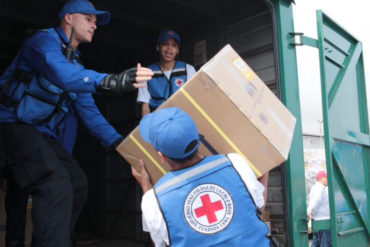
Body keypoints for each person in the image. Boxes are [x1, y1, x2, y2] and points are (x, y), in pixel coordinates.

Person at [0, 0, 153, 246]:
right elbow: (61, 72)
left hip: (41, 134)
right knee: (55, 182)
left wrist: (120, 143)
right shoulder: (42, 42)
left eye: (96, 21)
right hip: (12, 124)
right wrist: (110, 81)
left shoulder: (76, 64)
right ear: (69, 18)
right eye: (89, 18)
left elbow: (89, 112)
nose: (95, 25)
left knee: (77, 182)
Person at [131, 107, 270, 247]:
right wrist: (266, 160)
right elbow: (258, 208)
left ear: (161, 156)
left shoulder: (153, 199)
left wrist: (146, 188)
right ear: (197, 137)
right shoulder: (235, 163)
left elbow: (159, 243)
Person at [137, 30, 196, 117]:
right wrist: (147, 129)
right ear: (158, 47)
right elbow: (145, 106)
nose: (169, 48)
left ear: (177, 50)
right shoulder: (147, 72)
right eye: (165, 44)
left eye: (174, 45)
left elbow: (194, 101)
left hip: (182, 120)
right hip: (158, 121)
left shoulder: (188, 69)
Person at [307, 171, 331, 247]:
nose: (327, 179)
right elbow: (316, 201)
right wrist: (309, 211)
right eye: (326, 177)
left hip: (317, 221)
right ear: (321, 178)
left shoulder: (315, 188)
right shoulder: (319, 188)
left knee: (316, 242)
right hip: (323, 221)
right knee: (326, 243)